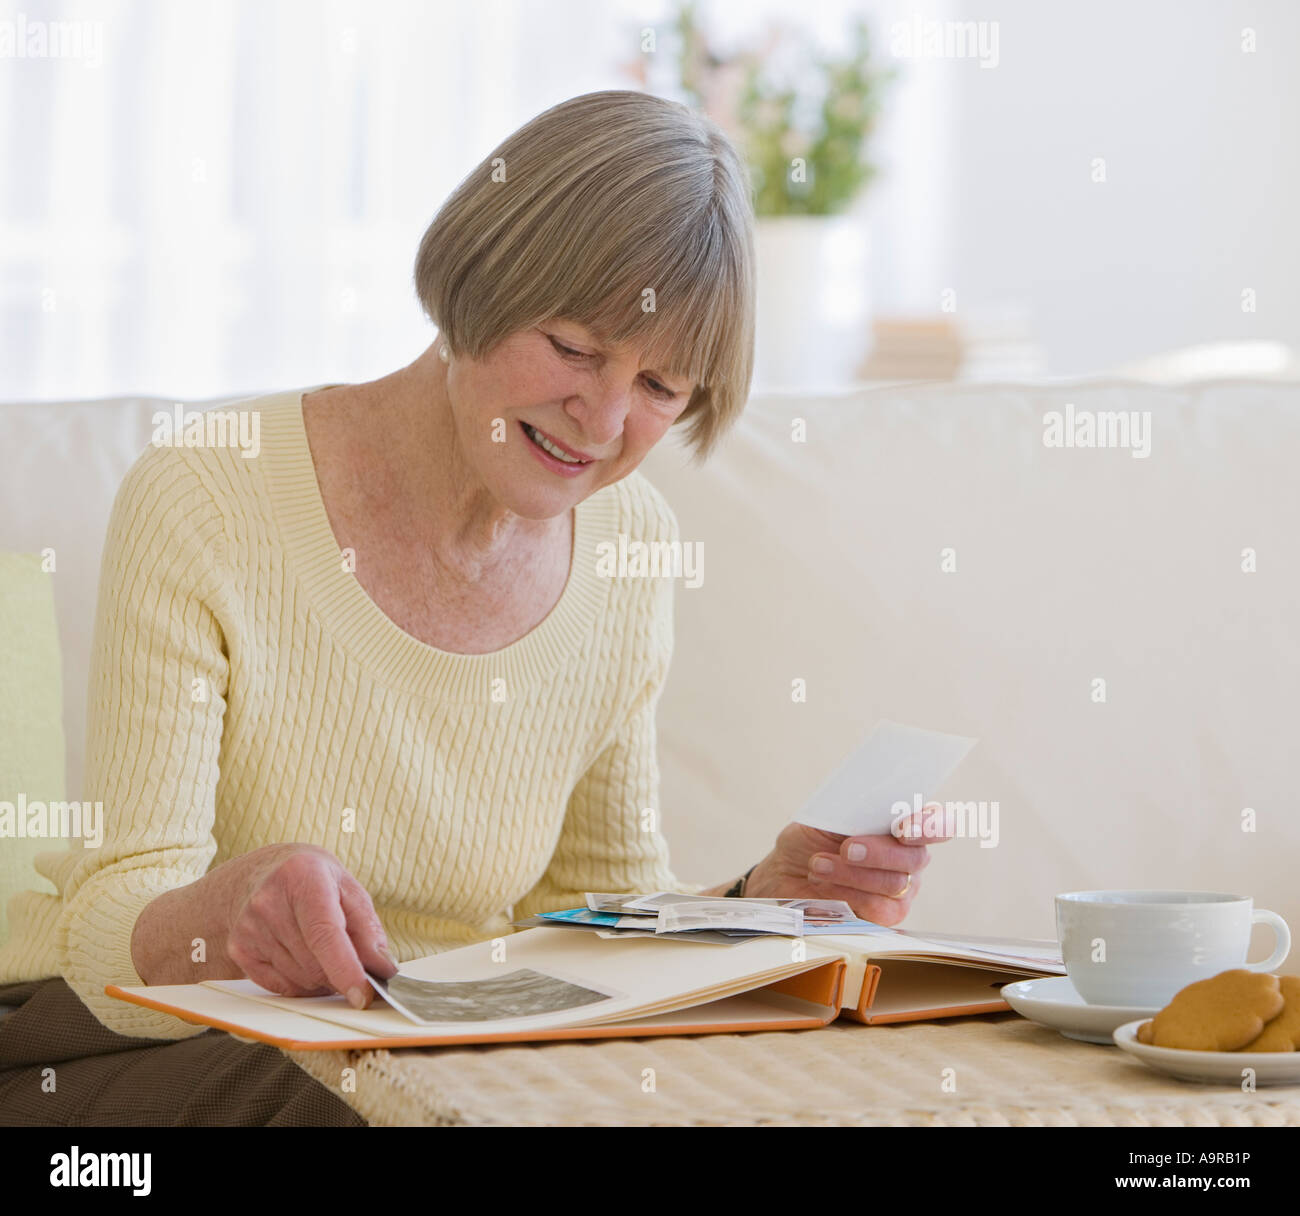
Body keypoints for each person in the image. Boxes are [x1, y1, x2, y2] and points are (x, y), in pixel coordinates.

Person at [0, 90, 944, 1127]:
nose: (605, 419)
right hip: (145, 1049)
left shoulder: (629, 549)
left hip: (439, 1055)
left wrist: (759, 902)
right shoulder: (209, 494)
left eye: (662, 385)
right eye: (577, 348)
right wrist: (232, 913)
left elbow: (584, 921)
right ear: (476, 281)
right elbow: (107, 935)